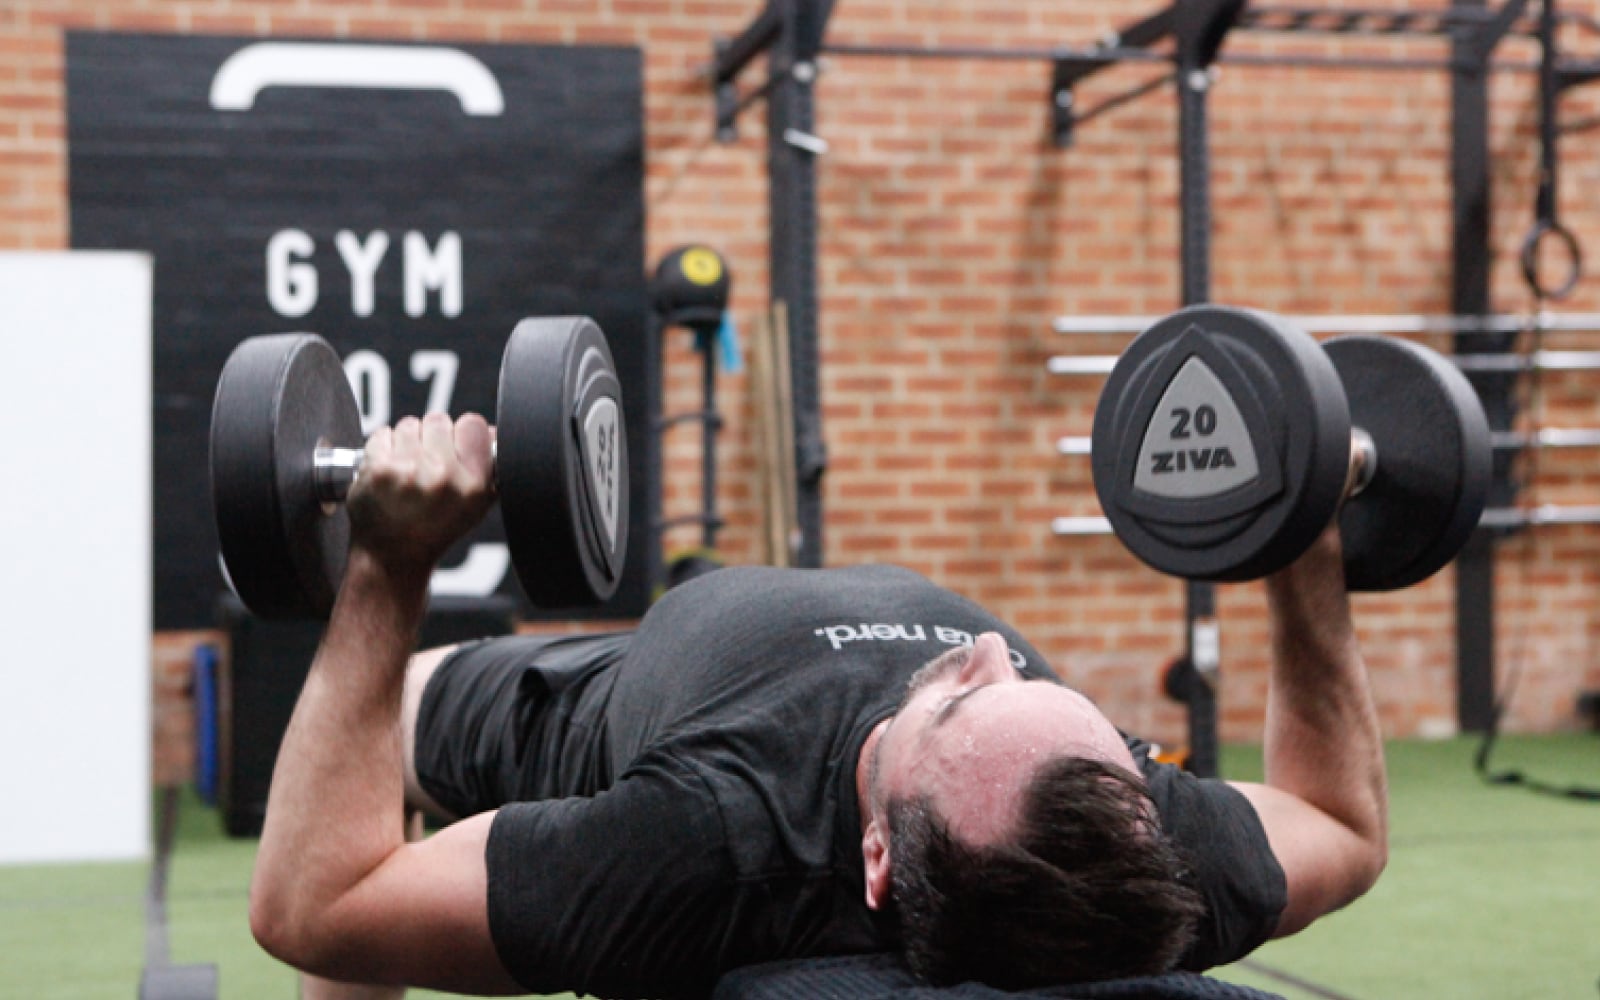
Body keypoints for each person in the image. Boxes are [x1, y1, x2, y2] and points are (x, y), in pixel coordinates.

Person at [248, 412, 1388, 998]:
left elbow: (314, 901)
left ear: (879, 853)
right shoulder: (1147, 847)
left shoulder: (705, 845)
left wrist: (387, 568)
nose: (990, 650)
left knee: (391, 709)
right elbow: (1338, 823)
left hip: (600, 701)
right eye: (1038, 688)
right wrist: (1305, 543)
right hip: (723, 674)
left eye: (947, 708)